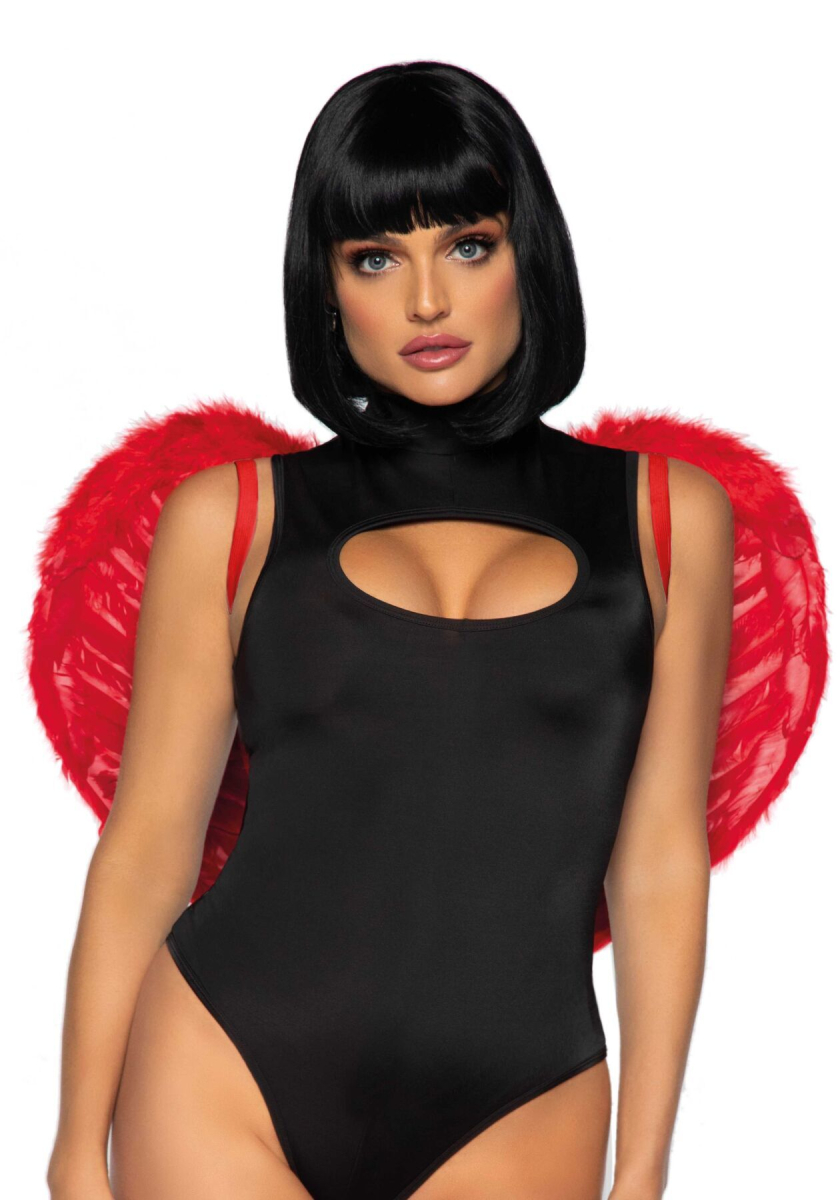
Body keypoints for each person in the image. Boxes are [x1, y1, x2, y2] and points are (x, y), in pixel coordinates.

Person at [47, 62, 734, 1200]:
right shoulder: (233, 516)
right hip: (222, 1069)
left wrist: (647, 1167)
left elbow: (659, 857)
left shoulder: (668, 516)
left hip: (520, 1102)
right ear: (326, 288)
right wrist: (76, 1150)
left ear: (528, 255)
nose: (426, 302)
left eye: (467, 245)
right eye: (374, 258)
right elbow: (149, 846)